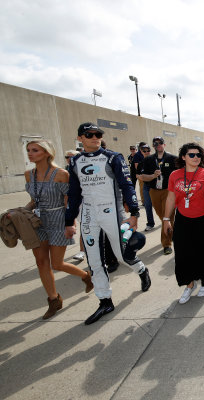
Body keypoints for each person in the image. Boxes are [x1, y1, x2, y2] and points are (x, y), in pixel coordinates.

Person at [65, 122, 151, 325]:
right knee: (93, 260)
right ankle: (105, 301)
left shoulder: (113, 157)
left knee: (122, 256)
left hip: (111, 211)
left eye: (98, 134)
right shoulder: (75, 161)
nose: (95, 137)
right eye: (89, 134)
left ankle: (141, 270)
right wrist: (69, 221)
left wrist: (135, 213)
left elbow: (126, 185)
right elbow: (74, 193)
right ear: (80, 138)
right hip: (88, 214)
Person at [22, 140, 92, 319]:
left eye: (35, 150)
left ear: (46, 153)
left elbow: (69, 200)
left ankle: (85, 276)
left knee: (57, 264)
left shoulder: (61, 174)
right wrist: (20, 212)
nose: (30, 153)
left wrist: (71, 223)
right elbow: (33, 200)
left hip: (58, 219)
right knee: (41, 262)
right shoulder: (29, 175)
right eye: (28, 150)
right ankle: (54, 300)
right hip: (37, 222)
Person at [163, 143, 204, 304]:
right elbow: (171, 198)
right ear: (183, 157)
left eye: (198, 155)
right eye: (191, 155)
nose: (196, 158)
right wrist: (166, 219)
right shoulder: (175, 175)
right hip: (183, 219)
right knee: (183, 253)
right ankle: (189, 284)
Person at [139, 137, 178, 254]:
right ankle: (173, 232)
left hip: (169, 191)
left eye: (160, 143)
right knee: (163, 216)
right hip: (154, 191)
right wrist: (152, 176)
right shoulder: (148, 160)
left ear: (164, 145)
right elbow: (142, 177)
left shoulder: (172, 158)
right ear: (153, 146)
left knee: (168, 217)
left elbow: (180, 173)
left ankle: (166, 244)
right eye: (155, 144)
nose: (158, 145)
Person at [138, 144, 155, 231]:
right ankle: (150, 223)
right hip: (146, 186)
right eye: (144, 151)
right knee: (148, 206)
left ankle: (166, 222)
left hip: (156, 187)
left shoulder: (155, 161)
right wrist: (142, 177)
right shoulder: (141, 163)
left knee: (161, 207)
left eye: (148, 150)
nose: (146, 152)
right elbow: (137, 175)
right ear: (141, 152)